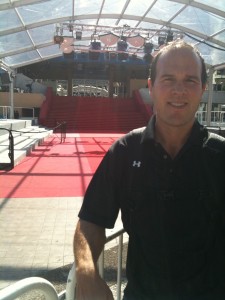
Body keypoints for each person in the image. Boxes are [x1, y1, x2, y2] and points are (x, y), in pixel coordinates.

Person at [73, 40, 225, 300]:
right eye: (168, 79)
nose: (179, 90)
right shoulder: (125, 151)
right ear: (151, 87)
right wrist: (86, 273)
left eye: (190, 80)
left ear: (203, 89)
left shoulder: (220, 156)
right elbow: (90, 221)